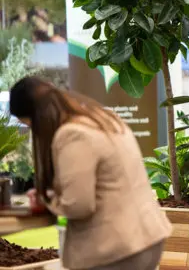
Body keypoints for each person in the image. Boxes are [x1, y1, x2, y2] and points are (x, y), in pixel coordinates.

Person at [9, 77, 171, 270]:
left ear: (38, 116)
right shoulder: (102, 119)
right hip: (145, 238)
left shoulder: (73, 134)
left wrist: (46, 199)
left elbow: (79, 205)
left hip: (117, 249)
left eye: (29, 125)